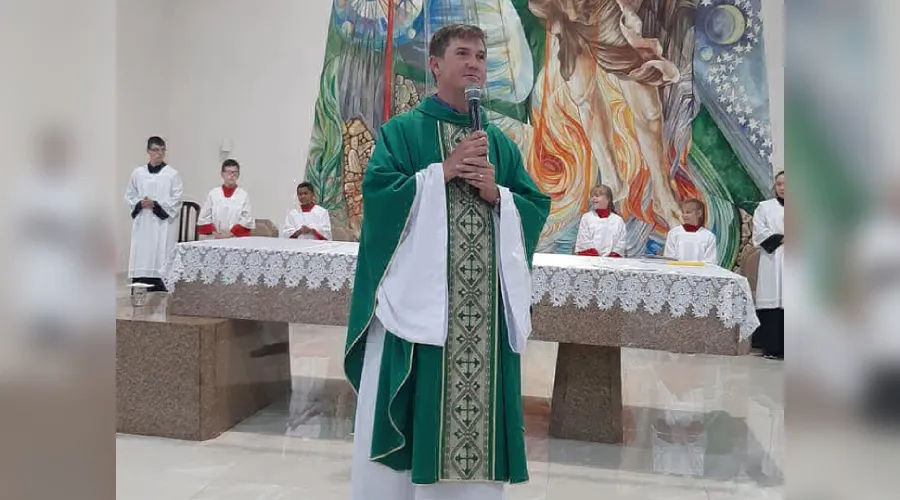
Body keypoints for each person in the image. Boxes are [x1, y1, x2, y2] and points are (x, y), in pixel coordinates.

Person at [344, 24, 551, 500]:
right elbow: (378, 199)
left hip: (482, 322)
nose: (474, 62)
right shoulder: (403, 132)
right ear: (435, 65)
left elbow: (534, 205)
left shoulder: (498, 143)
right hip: (421, 319)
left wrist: (498, 195)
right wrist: (442, 172)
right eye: (463, 53)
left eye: (480, 54)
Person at [125, 136, 182, 292]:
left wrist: (155, 205)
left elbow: (177, 200)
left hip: (162, 224)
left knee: (161, 256)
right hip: (144, 223)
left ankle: (161, 288)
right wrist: (140, 203)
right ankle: (139, 289)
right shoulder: (138, 173)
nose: (160, 153)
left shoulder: (172, 174)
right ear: (148, 151)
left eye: (162, 150)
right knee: (143, 255)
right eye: (156, 150)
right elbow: (130, 195)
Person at [752, 171, 785, 359]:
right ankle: (771, 348)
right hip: (772, 259)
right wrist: (782, 238)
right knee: (772, 298)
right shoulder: (764, 207)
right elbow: (759, 232)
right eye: (779, 184)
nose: (782, 188)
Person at [196, 159, 254, 238]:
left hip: (235, 238)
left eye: (235, 172)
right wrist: (215, 233)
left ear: (238, 174)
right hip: (215, 237)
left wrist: (230, 234)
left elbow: (246, 219)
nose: (232, 175)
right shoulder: (213, 194)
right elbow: (204, 217)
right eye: (229, 172)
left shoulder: (243, 195)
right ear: (222, 174)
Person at [574, 184, 626, 257]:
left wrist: (611, 258)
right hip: (590, 260)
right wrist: (597, 259)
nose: (593, 198)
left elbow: (620, 243)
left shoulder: (618, 220)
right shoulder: (586, 218)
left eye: (597, 196)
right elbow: (584, 241)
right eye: (592, 196)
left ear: (608, 199)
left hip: (612, 262)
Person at [663, 198, 718, 264]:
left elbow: (710, 261)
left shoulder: (709, 236)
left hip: (699, 270)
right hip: (677, 270)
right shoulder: (673, 233)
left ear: (699, 213)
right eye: (683, 212)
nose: (684, 215)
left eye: (688, 212)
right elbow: (669, 258)